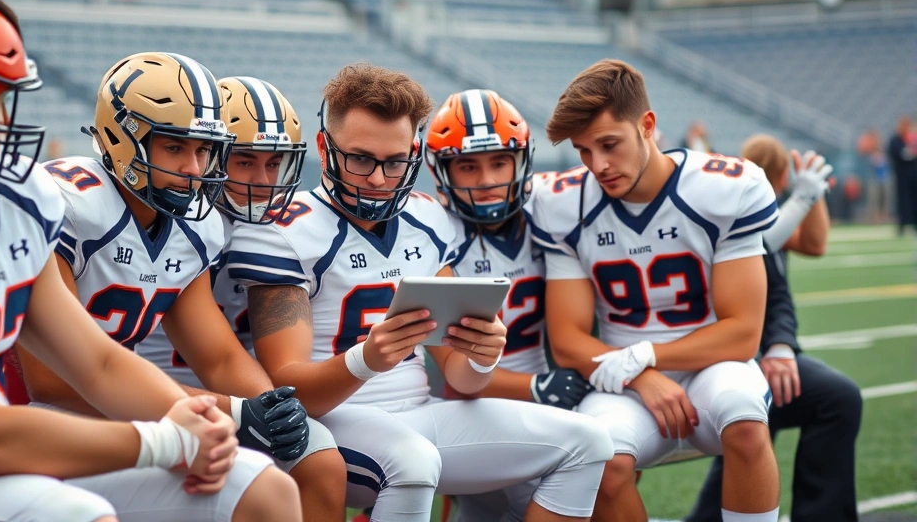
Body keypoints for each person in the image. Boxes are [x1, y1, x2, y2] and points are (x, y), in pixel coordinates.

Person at [0, 0, 243, 522]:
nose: (8, 118)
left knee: (261, 488)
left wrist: (202, 415)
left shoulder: (18, 197)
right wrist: (164, 442)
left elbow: (100, 361)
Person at [219, 63, 615, 522]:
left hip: (420, 409)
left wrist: (482, 355)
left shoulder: (427, 218)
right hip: (331, 421)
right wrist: (365, 360)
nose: (378, 179)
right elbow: (288, 388)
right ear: (326, 149)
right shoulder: (281, 230)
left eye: (394, 162)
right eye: (362, 158)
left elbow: (459, 378)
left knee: (590, 443)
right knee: (413, 462)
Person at [12, 55, 322, 522]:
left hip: (117, 408)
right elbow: (53, 381)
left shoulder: (193, 228)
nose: (194, 168)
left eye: (204, 150)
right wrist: (232, 414)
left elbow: (217, 355)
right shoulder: (68, 206)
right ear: (121, 137)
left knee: (266, 482)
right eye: (175, 147)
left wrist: (267, 408)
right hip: (30, 417)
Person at [530, 59, 782, 522]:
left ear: (647, 125)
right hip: (620, 378)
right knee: (601, 461)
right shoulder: (563, 204)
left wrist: (645, 357)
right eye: (584, 151)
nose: (598, 165)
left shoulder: (724, 188)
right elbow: (567, 340)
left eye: (609, 144)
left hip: (713, 364)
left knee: (745, 419)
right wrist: (639, 373)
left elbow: (742, 334)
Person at [134, 75, 348, 522]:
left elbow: (229, 360)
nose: (263, 181)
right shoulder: (174, 221)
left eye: (276, 163)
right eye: (244, 161)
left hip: (237, 386)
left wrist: (269, 408)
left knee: (320, 461)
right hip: (146, 384)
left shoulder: (287, 230)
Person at [425, 89, 595, 521]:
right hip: (472, 401)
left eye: (499, 162)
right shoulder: (431, 236)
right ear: (441, 171)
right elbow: (454, 372)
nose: (486, 180)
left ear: (521, 162)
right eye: (468, 165)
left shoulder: (551, 213)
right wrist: (536, 389)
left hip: (550, 387)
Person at [686, 134, 862, 522]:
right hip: (721, 357)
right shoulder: (733, 216)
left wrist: (782, 347)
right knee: (817, 402)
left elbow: (810, 248)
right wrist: (801, 201)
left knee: (825, 399)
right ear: (781, 180)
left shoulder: (768, 217)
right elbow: (763, 246)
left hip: (756, 354)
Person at [888, 115, 917, 236]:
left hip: (914, 175)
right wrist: (906, 153)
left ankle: (915, 223)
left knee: (914, 200)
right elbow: (894, 153)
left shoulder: (912, 138)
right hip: (901, 176)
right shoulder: (895, 139)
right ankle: (903, 224)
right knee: (902, 200)